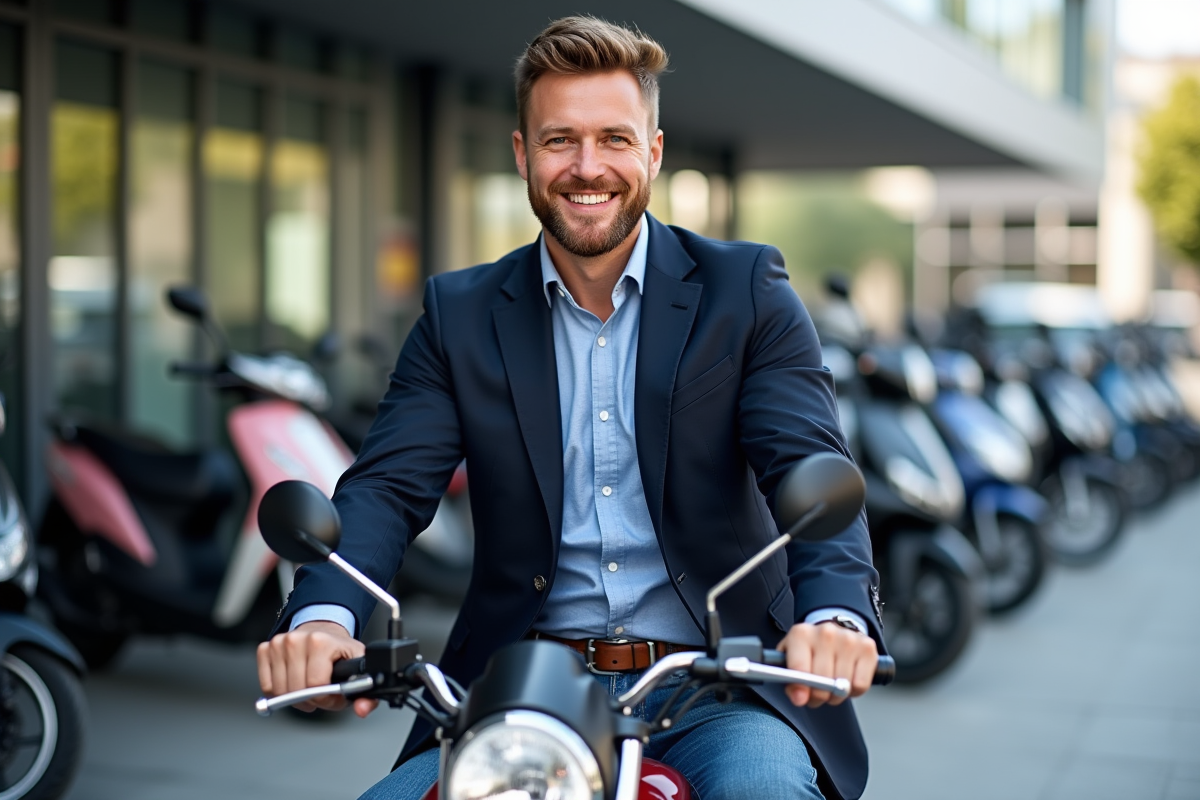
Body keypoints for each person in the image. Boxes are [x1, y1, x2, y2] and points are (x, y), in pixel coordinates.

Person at [257, 16, 885, 800]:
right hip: (519, 687)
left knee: (763, 790)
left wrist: (833, 617)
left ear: (653, 153)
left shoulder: (746, 293)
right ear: (522, 154)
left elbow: (810, 466)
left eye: (615, 139)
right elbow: (387, 487)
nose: (589, 167)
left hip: (721, 686)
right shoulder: (460, 313)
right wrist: (322, 618)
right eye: (560, 141)